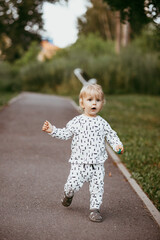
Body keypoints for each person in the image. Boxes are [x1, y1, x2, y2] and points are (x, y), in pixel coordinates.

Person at [42, 84, 124, 222]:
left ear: (102, 104)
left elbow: (111, 135)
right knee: (72, 185)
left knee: (97, 188)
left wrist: (117, 145)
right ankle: (68, 194)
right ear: (82, 102)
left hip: (97, 164)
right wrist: (52, 130)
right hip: (79, 164)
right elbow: (65, 134)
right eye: (90, 99)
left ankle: (95, 209)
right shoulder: (77, 121)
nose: (94, 103)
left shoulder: (102, 123)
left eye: (98, 100)